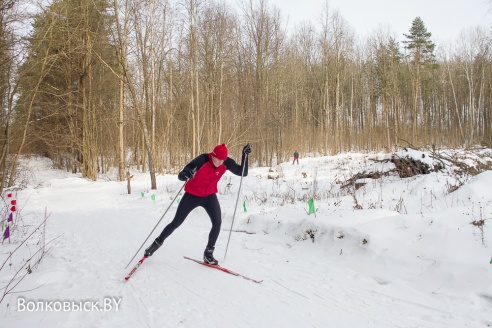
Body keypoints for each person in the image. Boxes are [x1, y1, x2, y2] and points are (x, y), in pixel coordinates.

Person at [144, 143, 251, 265]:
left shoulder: (226, 162)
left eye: (222, 160)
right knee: (176, 222)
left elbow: (243, 172)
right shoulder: (202, 160)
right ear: (213, 155)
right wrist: (187, 174)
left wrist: (244, 155)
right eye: (217, 159)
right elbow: (181, 176)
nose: (219, 163)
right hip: (192, 195)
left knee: (217, 223)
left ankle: (208, 253)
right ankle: (155, 244)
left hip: (209, 196)